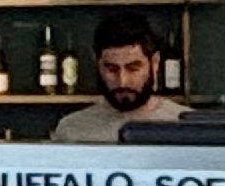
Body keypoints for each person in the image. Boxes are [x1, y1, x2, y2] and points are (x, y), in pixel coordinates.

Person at [50, 12, 165, 143]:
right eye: (111, 69)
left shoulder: (181, 126)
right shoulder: (71, 130)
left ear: (155, 62)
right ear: (96, 63)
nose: (122, 81)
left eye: (133, 68)